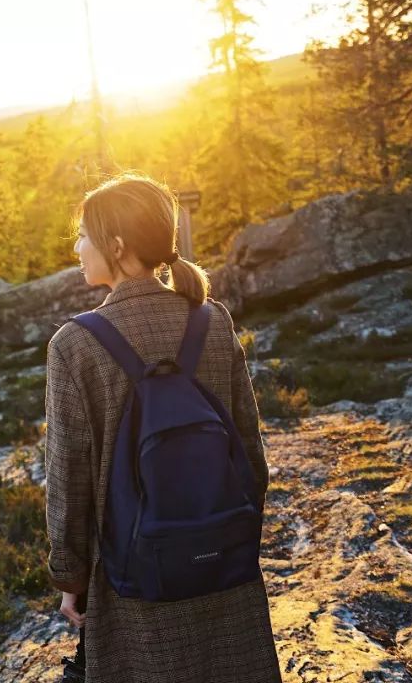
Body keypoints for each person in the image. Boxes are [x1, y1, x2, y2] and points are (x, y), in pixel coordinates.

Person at [44, 172, 283, 682]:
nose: (77, 248)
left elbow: (68, 481)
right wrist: (225, 535)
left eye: (83, 235)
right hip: (226, 567)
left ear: (116, 245)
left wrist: (71, 577)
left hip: (134, 579)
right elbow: (250, 454)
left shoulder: (75, 346)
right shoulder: (211, 321)